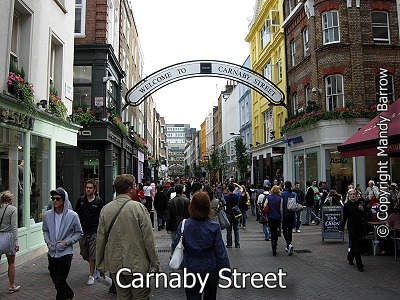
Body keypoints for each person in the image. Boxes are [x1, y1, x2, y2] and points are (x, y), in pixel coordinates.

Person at [96, 174, 160, 299]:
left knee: (122, 296)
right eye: (135, 185)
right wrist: (155, 263)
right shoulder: (138, 208)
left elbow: (100, 239)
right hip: (137, 263)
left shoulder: (106, 209)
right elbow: (148, 239)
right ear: (131, 188)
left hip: (115, 264)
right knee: (140, 296)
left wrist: (100, 264)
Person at [172, 191, 230, 299]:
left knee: (192, 296)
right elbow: (220, 251)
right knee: (210, 296)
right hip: (210, 266)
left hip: (191, 266)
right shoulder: (214, 226)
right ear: (208, 207)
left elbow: (175, 244)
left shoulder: (184, 225)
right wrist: (226, 271)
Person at [42, 188, 83, 299]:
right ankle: (69, 293)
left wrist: (67, 242)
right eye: (53, 198)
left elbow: (79, 233)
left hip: (65, 254)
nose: (54, 201)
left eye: (58, 199)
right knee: (55, 279)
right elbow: (45, 230)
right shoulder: (47, 215)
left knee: (60, 282)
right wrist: (48, 241)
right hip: (51, 253)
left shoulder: (72, 216)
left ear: (64, 200)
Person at [74, 179, 104, 285]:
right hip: (83, 232)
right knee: (84, 253)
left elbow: (102, 216)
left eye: (90, 188)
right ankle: (96, 267)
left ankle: (91, 275)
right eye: (87, 188)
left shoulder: (98, 201)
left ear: (94, 189)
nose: (88, 189)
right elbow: (76, 215)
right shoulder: (81, 200)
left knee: (92, 255)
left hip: (94, 232)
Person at [338, 189, 366, 272]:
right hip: (352, 227)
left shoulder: (359, 204)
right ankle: (359, 265)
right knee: (356, 245)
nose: (353, 195)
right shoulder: (347, 205)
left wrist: (362, 210)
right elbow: (344, 218)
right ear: (349, 196)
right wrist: (341, 228)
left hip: (359, 227)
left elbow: (363, 215)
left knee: (357, 244)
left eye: (354, 194)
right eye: (351, 194)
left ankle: (350, 257)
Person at [0, 191, 20, 293]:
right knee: (11, 263)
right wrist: (16, 241)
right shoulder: (12, 209)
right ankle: (11, 285)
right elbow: (14, 226)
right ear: (10, 200)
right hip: (8, 237)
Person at [281, 181, 299, 256]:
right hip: (292, 214)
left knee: (284, 231)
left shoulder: (282, 194)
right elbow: (297, 202)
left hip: (285, 214)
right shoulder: (294, 194)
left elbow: (281, 204)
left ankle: (289, 244)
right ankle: (288, 246)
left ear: (285, 186)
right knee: (290, 230)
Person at [265, 185, 283, 256]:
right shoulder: (280, 198)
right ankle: (275, 242)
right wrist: (282, 218)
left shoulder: (268, 197)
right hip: (278, 217)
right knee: (276, 230)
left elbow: (264, 205)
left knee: (272, 230)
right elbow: (281, 209)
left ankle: (273, 245)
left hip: (270, 217)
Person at [224, 183, 242, 248]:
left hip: (228, 213)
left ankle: (229, 244)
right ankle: (237, 244)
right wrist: (236, 184)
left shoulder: (226, 196)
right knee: (236, 229)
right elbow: (241, 189)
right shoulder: (237, 195)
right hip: (236, 213)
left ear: (228, 189)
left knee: (229, 229)